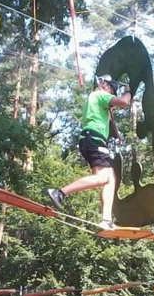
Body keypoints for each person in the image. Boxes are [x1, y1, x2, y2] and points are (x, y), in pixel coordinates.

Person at [45, 74, 133, 230]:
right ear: (105, 85)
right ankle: (61, 192)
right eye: (112, 92)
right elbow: (124, 102)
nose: (112, 96)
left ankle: (106, 220)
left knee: (110, 179)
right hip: (94, 139)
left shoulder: (95, 99)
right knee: (103, 177)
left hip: (90, 139)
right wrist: (129, 91)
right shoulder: (100, 95)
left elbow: (108, 120)